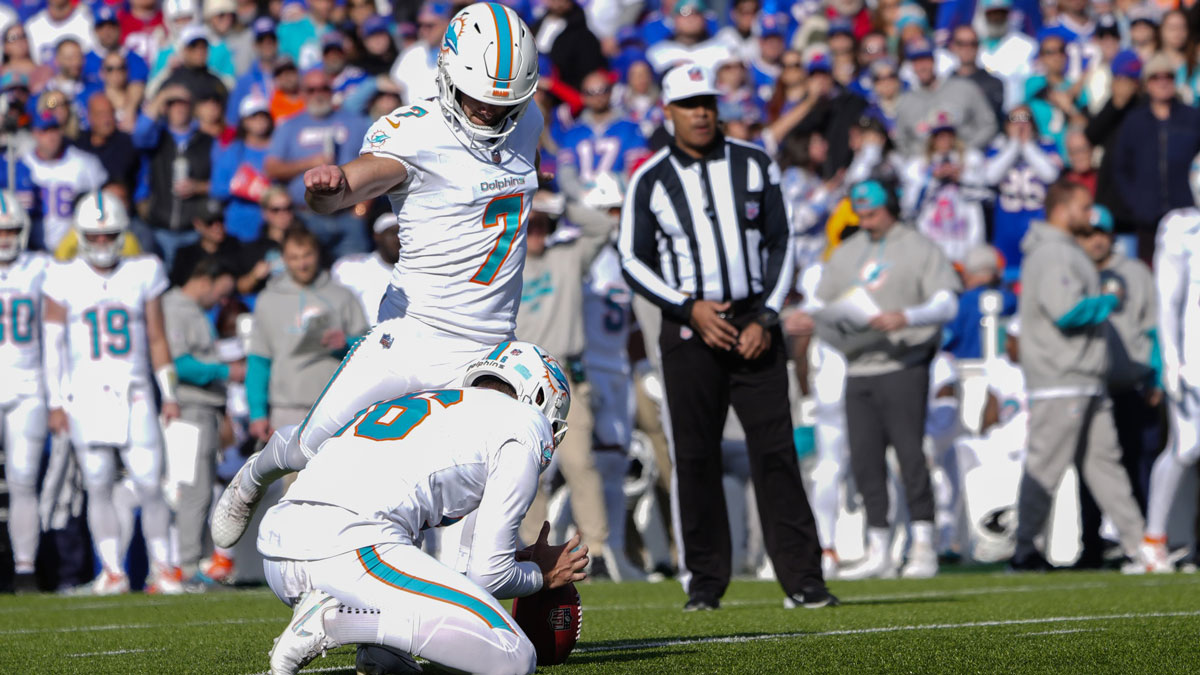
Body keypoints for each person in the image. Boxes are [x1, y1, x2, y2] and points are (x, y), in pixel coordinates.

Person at [211, 3, 543, 551]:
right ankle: (257, 471)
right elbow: (361, 181)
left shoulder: (526, 119)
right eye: (478, 100)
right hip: (414, 334)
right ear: (446, 76)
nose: (488, 114)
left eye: (502, 103)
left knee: (460, 499)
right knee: (314, 446)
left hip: (487, 352)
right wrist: (333, 186)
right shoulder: (415, 133)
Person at [619, 64, 834, 610]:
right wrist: (687, 309)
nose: (701, 112)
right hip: (691, 327)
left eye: (708, 101)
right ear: (667, 112)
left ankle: (805, 580)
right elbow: (631, 258)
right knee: (694, 455)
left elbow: (782, 241)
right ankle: (706, 584)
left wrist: (765, 316)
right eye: (689, 104)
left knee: (777, 451)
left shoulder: (755, 163)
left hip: (754, 321)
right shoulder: (650, 178)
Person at [258, 343, 580, 675]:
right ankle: (334, 623)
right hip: (351, 550)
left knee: (434, 653)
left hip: (281, 553)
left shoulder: (427, 403)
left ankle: (382, 650)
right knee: (513, 657)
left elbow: (475, 579)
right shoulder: (525, 422)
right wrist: (542, 575)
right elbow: (490, 574)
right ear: (541, 400)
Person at [811, 179, 961, 580]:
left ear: (890, 207)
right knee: (865, 459)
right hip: (859, 365)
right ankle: (878, 546)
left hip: (904, 362)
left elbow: (946, 300)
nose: (866, 220)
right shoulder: (847, 251)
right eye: (860, 213)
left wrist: (907, 317)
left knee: (911, 455)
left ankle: (924, 544)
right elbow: (822, 303)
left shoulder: (919, 247)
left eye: (873, 212)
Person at [42, 190, 182, 595]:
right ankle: (112, 571)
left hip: (135, 388)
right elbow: (52, 346)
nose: (102, 243)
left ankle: (164, 568)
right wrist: (56, 400)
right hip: (85, 393)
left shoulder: (143, 271)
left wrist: (168, 393)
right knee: (98, 482)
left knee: (150, 482)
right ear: (82, 235)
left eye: (109, 236)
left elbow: (157, 339)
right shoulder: (63, 275)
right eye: (95, 236)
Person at [1010, 179, 1147, 572]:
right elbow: (1066, 311)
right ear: (1064, 206)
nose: (1090, 216)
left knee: (1106, 466)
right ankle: (1024, 550)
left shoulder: (1065, 251)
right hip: (1062, 376)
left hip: (1084, 375)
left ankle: (1140, 545)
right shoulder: (1053, 253)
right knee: (1046, 467)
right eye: (1085, 207)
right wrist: (1109, 300)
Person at [245, 225, 368, 444]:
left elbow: (371, 347)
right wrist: (257, 413)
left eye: (307, 255)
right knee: (292, 479)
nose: (302, 264)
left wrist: (346, 343)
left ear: (317, 254)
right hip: (286, 409)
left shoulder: (342, 296)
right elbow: (258, 360)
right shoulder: (268, 299)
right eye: (294, 258)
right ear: (283, 259)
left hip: (334, 406)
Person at [161, 256, 240, 581]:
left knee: (203, 489)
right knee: (193, 490)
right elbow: (179, 365)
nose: (221, 301)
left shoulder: (191, 310)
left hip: (205, 407)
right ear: (204, 279)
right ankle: (188, 564)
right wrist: (226, 370)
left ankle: (192, 561)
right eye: (220, 292)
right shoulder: (176, 308)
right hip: (190, 407)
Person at [1142, 207, 1200, 572]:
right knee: (1186, 447)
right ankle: (1153, 539)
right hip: (1193, 360)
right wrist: (1171, 357)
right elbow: (1169, 299)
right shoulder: (1183, 228)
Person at [264, 68, 368, 259]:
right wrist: (309, 162)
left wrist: (362, 208)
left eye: (324, 88)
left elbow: (375, 162)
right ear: (302, 93)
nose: (318, 94)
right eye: (311, 90)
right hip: (305, 218)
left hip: (348, 217)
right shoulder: (288, 126)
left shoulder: (357, 122)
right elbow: (271, 168)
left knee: (355, 278)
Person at [0, 193, 50, 592]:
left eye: (12, 230)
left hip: (29, 384)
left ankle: (25, 570)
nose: (5, 238)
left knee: (22, 480)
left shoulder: (41, 267)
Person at [1112, 53, 1200, 263]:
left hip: (1186, 215)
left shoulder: (1192, 117)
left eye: (1167, 76)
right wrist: (1136, 204)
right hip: (1148, 219)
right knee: (1150, 277)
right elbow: (1120, 167)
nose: (1162, 82)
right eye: (1155, 77)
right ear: (1146, 84)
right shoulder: (1134, 121)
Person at [132, 84, 216, 269]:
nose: (178, 108)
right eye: (172, 103)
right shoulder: (157, 137)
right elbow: (139, 134)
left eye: (183, 103)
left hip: (194, 230)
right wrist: (162, 96)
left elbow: (222, 183)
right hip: (160, 229)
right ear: (166, 108)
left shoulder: (206, 141)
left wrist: (199, 187)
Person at [982, 104, 1061, 273]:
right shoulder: (997, 148)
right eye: (1014, 120)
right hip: (1006, 230)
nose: (1020, 125)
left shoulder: (1046, 145)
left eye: (1025, 120)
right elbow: (990, 177)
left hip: (1038, 227)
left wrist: (1027, 146)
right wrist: (1014, 145)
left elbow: (1050, 175)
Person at [554, 69, 649, 201]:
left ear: (611, 92)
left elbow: (636, 169)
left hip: (620, 199)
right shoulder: (573, 132)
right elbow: (565, 173)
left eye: (602, 90)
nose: (597, 97)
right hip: (582, 202)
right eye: (591, 93)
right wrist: (583, 196)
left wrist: (614, 192)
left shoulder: (630, 127)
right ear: (583, 96)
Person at [894, 39, 996, 159]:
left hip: (966, 158)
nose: (922, 66)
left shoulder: (964, 87)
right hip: (925, 165)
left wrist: (965, 151)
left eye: (925, 60)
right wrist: (925, 157)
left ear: (934, 61)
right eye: (916, 62)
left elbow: (988, 124)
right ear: (911, 66)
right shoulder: (905, 102)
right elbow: (901, 141)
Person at [21, 110, 107, 250]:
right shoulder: (22, 164)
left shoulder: (85, 163)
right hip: (31, 247)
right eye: (45, 131)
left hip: (75, 249)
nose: (51, 137)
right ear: (34, 134)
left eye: (54, 130)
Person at [209, 94, 274, 242]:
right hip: (239, 227)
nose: (259, 121)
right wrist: (242, 187)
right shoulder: (234, 151)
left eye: (263, 116)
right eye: (253, 117)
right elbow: (216, 189)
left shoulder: (278, 149)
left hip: (273, 226)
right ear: (244, 121)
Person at [942, 244, 1016, 360]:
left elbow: (945, 339)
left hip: (967, 372)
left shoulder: (962, 303)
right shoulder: (1012, 300)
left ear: (968, 274)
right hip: (1006, 370)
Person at [331, 212, 400, 326]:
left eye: (403, 234)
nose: (399, 239)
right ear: (377, 236)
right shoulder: (352, 268)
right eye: (393, 233)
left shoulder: (421, 272)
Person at [389, 1, 449, 105]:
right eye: (420, 25)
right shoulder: (411, 53)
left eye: (429, 25)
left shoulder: (460, 53)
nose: (423, 30)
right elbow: (395, 84)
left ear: (447, 23)